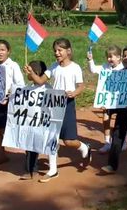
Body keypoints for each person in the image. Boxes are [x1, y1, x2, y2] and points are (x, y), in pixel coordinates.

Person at [24, 38, 91, 183]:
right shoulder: (53, 67)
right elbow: (40, 81)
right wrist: (31, 73)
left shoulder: (75, 68)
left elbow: (81, 86)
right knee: (51, 137)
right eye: (55, 50)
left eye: (60, 50)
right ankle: (53, 170)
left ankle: (85, 147)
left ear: (68, 51)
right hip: (53, 105)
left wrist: (74, 93)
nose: (57, 53)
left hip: (68, 104)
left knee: (69, 141)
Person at [100, 45, 127, 174]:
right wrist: (104, 101)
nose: (126, 58)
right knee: (118, 133)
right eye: (124, 55)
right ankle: (112, 165)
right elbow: (109, 90)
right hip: (123, 108)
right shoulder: (118, 73)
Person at [0, 39, 25, 166]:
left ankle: (27, 154)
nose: (0, 52)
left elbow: (20, 84)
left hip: (10, 102)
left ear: (8, 51)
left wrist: (10, 95)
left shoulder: (13, 65)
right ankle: (1, 153)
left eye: (3, 50)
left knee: (12, 128)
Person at [87, 45, 124, 153]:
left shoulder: (123, 68)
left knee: (120, 121)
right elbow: (93, 70)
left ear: (118, 57)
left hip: (119, 100)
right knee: (105, 118)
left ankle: (123, 141)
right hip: (107, 100)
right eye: (107, 57)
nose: (109, 59)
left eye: (111, 57)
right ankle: (107, 142)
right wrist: (90, 60)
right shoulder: (105, 67)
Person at [20, 60, 49, 180]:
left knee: (35, 145)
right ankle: (30, 169)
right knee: (28, 145)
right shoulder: (27, 88)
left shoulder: (47, 89)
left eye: (28, 71)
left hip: (41, 122)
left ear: (35, 72)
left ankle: (34, 169)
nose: (26, 74)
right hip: (29, 121)